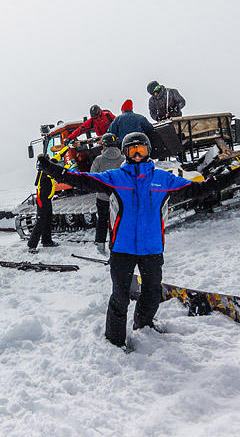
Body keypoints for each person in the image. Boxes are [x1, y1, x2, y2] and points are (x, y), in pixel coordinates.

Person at [36, 132, 221, 349]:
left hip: (151, 249)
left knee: (152, 294)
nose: (136, 156)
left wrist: (231, 177)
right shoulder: (116, 178)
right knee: (120, 298)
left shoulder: (163, 179)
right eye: (131, 151)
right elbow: (81, 180)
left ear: (148, 151)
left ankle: (143, 326)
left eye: (140, 150)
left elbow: (198, 189)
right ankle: (114, 341)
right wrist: (52, 169)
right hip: (122, 250)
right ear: (124, 153)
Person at [90, 133, 125, 255]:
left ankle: (100, 245)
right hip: (119, 197)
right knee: (116, 221)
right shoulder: (123, 159)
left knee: (102, 220)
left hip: (102, 197)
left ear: (104, 144)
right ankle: (115, 245)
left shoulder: (99, 160)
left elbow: (93, 177)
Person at [27, 163, 60, 254]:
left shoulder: (45, 169)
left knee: (48, 219)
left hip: (47, 198)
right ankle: (32, 245)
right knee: (41, 221)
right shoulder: (44, 171)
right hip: (42, 199)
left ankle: (47, 240)